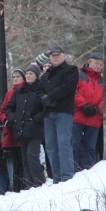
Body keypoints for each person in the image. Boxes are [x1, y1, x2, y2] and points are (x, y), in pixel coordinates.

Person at [37, 46, 79, 184]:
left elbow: (67, 87)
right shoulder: (46, 74)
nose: (55, 57)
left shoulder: (71, 70)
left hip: (63, 112)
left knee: (63, 143)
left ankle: (67, 176)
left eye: (58, 54)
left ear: (64, 55)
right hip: (48, 113)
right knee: (51, 146)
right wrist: (45, 99)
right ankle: (56, 178)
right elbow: (38, 90)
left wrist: (50, 97)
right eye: (53, 55)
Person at [5, 64, 46, 188]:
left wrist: (36, 118)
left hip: (34, 129)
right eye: (27, 73)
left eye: (31, 74)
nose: (28, 76)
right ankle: (29, 184)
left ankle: (39, 182)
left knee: (32, 156)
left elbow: (46, 108)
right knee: (25, 159)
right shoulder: (19, 91)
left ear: (37, 76)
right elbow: (9, 107)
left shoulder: (40, 90)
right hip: (21, 129)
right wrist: (13, 120)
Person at [72, 53, 104, 170]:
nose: (98, 66)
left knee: (90, 147)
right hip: (78, 116)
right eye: (96, 63)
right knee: (74, 144)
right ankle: (73, 170)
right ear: (89, 62)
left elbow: (105, 97)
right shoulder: (79, 74)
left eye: (100, 65)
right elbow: (74, 92)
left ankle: (88, 170)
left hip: (94, 118)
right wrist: (83, 105)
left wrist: (97, 108)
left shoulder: (102, 80)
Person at [0, 69, 26, 192]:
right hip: (10, 131)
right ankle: (14, 186)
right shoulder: (10, 93)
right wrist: (6, 120)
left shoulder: (26, 91)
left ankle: (23, 185)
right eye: (14, 77)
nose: (15, 79)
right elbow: (3, 110)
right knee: (13, 159)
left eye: (18, 76)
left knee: (23, 159)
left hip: (23, 130)